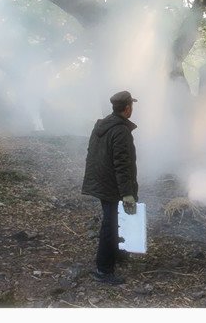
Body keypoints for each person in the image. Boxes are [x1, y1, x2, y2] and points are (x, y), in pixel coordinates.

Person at [81, 90, 139, 285]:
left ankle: (117, 253)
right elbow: (122, 166)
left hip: (102, 181)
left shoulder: (103, 125)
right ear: (127, 108)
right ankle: (103, 270)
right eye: (132, 105)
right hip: (111, 184)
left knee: (114, 221)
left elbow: (94, 154)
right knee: (111, 224)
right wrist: (127, 194)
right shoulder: (120, 131)